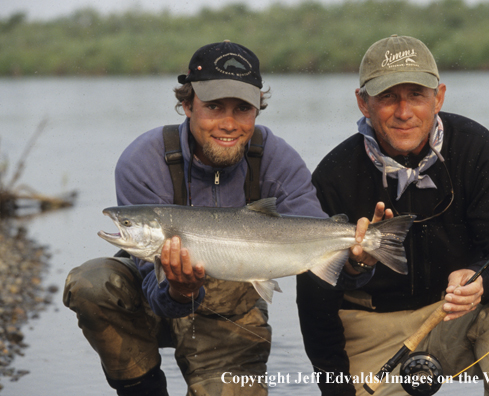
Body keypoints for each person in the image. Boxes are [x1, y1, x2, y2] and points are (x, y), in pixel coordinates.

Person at [62, 40, 364, 396]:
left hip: (230, 311)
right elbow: (150, 279)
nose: (229, 123)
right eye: (214, 106)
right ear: (187, 105)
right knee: (92, 283)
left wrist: (358, 259)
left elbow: (322, 247)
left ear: (257, 110)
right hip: (151, 296)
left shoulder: (278, 159)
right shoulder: (143, 159)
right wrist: (179, 289)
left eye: (242, 108)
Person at [297, 35, 489, 396]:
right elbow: (314, 299)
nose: (404, 112)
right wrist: (334, 386)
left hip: (454, 317)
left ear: (439, 97)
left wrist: (484, 281)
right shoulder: (333, 174)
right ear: (363, 103)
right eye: (388, 97)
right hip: (369, 329)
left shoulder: (475, 146)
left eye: (416, 95)